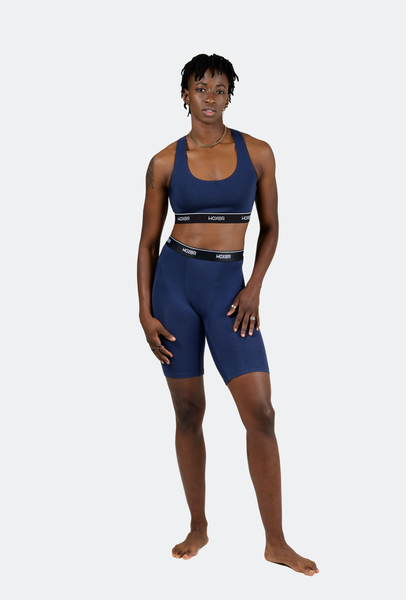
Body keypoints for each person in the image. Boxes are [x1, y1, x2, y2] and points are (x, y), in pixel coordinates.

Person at [137, 54, 319, 577]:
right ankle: (198, 526)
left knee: (261, 413)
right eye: (201, 88)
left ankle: (276, 542)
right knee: (188, 412)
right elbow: (147, 243)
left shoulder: (257, 152)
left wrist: (254, 287)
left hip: (230, 293)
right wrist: (144, 312)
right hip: (174, 288)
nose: (210, 98)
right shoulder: (163, 162)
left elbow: (272, 227)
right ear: (185, 95)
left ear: (230, 96)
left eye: (220, 89)